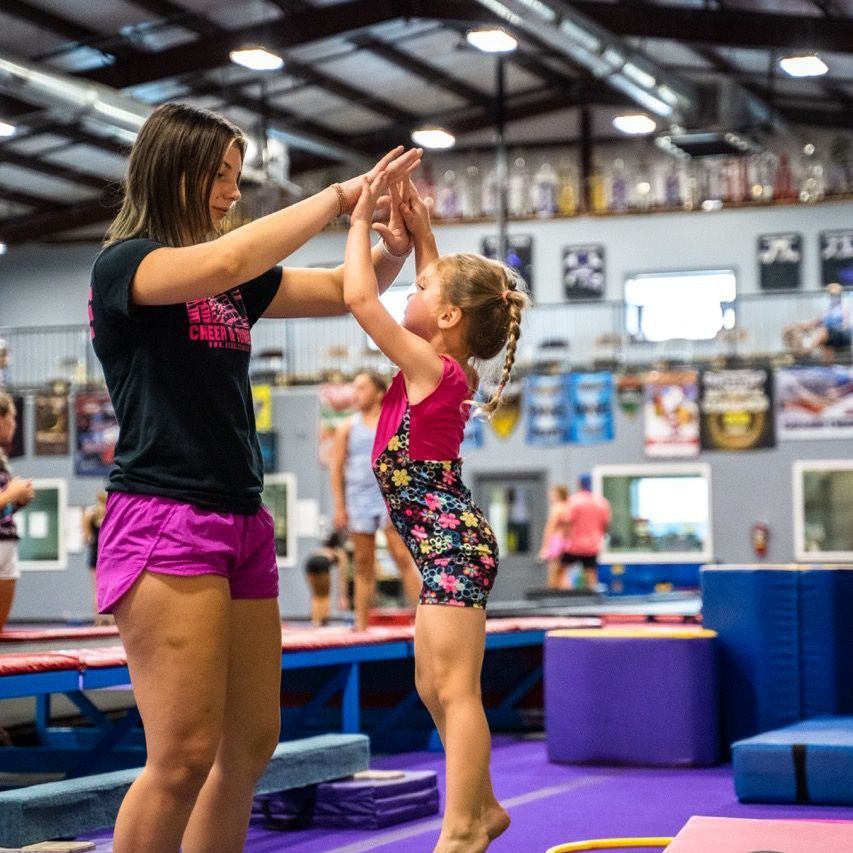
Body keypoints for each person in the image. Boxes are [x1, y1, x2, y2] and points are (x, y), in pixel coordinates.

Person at [88, 101, 421, 853]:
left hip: (240, 516)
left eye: (237, 180)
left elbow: (342, 290)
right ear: (174, 171)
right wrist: (341, 199)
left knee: (251, 740)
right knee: (181, 754)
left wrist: (386, 246)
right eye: (221, 177)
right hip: (164, 514)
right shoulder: (128, 264)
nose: (233, 194)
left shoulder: (231, 282)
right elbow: (230, 259)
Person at [344, 175, 529, 853]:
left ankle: (463, 825)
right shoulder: (445, 366)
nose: (412, 294)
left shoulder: (430, 368)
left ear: (447, 318)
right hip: (442, 548)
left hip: (451, 546)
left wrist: (360, 218)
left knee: (455, 690)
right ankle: (482, 803)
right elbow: (438, 287)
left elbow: (360, 298)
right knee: (430, 683)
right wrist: (421, 233)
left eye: (422, 294)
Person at [329, 370, 422, 630]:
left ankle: (424, 619)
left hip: (389, 497)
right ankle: (360, 625)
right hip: (358, 499)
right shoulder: (347, 427)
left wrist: (406, 499)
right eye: (354, 388)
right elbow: (336, 468)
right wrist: (340, 506)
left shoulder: (392, 422)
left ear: (379, 393)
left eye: (362, 388)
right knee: (363, 563)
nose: (355, 394)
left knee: (401, 556)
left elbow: (407, 461)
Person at [0, 393, 34, 632]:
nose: (15, 423)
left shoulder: (3, 459)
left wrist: (17, 503)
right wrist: (10, 495)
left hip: (7, 544)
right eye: (12, 417)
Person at [563, 473, 611, 591]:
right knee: (591, 573)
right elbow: (606, 524)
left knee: (562, 570)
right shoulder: (601, 502)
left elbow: (567, 522)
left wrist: (566, 537)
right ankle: (594, 601)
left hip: (574, 545)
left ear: (579, 484)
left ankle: (562, 597)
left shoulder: (573, 501)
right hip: (592, 546)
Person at [784, 282, 851, 361]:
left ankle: (806, 351)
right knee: (822, 339)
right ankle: (799, 352)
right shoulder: (828, 310)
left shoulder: (844, 307)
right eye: (831, 295)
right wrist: (799, 325)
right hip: (829, 335)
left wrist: (832, 327)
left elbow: (845, 325)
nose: (833, 297)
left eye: (835, 295)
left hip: (842, 334)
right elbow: (814, 323)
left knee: (822, 332)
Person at [302, 529, 348, 627]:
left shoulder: (323, 549)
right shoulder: (340, 552)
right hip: (321, 563)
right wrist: (343, 597)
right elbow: (342, 577)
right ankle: (323, 620)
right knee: (324, 595)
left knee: (316, 595)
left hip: (309, 563)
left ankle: (315, 621)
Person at [82, 491, 112, 626]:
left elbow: (87, 538)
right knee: (110, 587)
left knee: (96, 590)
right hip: (108, 554)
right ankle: (111, 619)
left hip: (95, 553)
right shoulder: (110, 515)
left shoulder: (90, 515)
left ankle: (98, 619)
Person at [537, 484, 572, 588]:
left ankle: (554, 596)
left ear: (558, 494)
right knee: (563, 573)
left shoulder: (556, 508)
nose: (550, 495)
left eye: (552, 493)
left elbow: (550, 528)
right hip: (566, 542)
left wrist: (544, 548)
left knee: (553, 572)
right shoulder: (568, 507)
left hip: (557, 542)